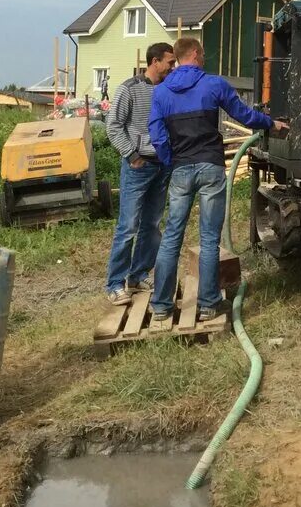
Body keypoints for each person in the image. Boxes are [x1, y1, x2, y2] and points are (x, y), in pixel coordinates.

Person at [148, 36, 287, 321]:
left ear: (178, 56)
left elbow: (157, 135)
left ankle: (161, 306)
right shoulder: (214, 85)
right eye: (203, 55)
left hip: (181, 169)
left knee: (172, 236)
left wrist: (170, 161)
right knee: (209, 239)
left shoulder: (161, 93)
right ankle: (209, 304)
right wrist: (272, 123)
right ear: (196, 54)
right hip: (210, 168)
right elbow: (246, 116)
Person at [104, 42, 176, 304]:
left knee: (152, 225)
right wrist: (132, 155)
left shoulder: (169, 89)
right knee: (128, 226)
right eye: (169, 62)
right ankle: (114, 284)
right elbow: (113, 127)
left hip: (162, 166)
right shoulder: (130, 89)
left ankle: (137, 275)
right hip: (139, 166)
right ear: (155, 61)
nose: (173, 66)